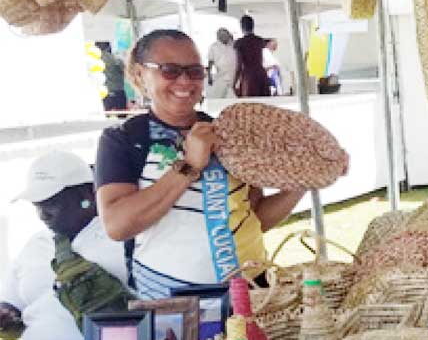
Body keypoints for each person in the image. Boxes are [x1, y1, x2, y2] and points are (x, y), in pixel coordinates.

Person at [95, 29, 306, 298]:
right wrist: (189, 166)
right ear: (139, 75)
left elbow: (255, 218)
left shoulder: (230, 133)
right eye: (169, 70)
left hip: (252, 294)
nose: (184, 81)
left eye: (195, 71)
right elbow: (117, 225)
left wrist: (302, 183)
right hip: (174, 305)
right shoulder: (124, 139)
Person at [0, 151, 128, 340]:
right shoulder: (34, 245)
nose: (42, 214)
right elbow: (11, 311)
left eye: (52, 202)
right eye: (37, 204)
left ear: (86, 194)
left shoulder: (120, 236)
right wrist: (6, 317)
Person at [233, 15, 272, 98]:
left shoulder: (239, 43)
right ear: (253, 26)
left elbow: (239, 66)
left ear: (241, 27)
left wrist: (234, 83)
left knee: (250, 105)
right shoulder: (260, 40)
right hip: (261, 74)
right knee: (265, 104)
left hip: (248, 77)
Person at [206, 27, 238, 99]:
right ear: (218, 37)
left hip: (234, 76)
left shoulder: (234, 45)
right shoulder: (213, 46)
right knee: (220, 98)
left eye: (226, 35)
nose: (224, 37)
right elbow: (210, 62)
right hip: (221, 77)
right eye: (222, 35)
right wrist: (209, 77)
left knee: (234, 98)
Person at [97, 42, 127, 113]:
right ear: (108, 47)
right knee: (122, 117)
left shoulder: (93, 61)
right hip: (118, 91)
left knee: (104, 118)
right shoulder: (115, 59)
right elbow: (126, 72)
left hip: (102, 93)